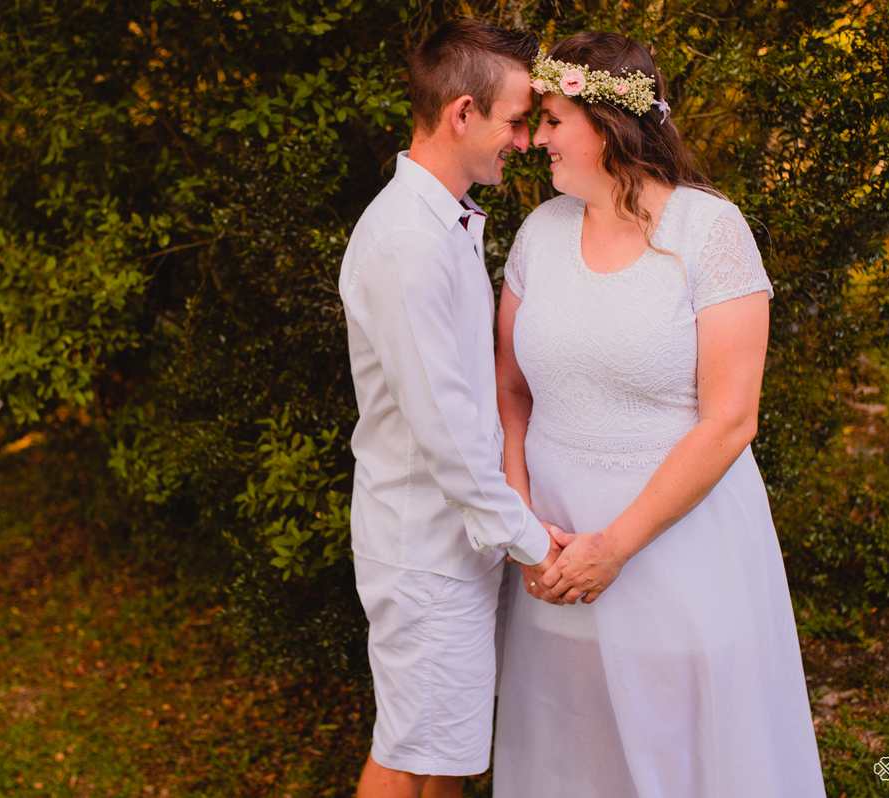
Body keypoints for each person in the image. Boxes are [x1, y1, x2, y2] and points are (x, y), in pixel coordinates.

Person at [492, 32, 826, 797]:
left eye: (552, 120)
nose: (536, 140)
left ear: (608, 124)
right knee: (574, 747)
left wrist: (613, 547)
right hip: (553, 554)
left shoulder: (710, 232)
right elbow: (510, 390)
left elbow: (731, 420)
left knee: (682, 749)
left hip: (676, 549)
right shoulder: (540, 235)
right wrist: (520, 518)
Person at [338, 19, 563, 798]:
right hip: (423, 550)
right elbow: (445, 429)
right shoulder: (407, 241)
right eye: (516, 122)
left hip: (458, 544)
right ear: (463, 113)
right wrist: (531, 542)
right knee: (409, 753)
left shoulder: (448, 220)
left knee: (449, 756)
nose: (525, 142)